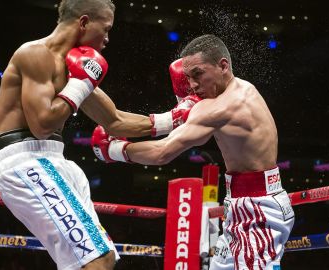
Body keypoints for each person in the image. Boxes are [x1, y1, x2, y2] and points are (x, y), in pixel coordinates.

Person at [0, 0, 199, 269]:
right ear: (84, 22)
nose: (107, 39)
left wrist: (175, 118)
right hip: (26, 161)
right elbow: (41, 125)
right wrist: (80, 84)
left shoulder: (76, 66)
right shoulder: (35, 54)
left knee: (105, 257)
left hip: (56, 161)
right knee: (95, 260)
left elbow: (114, 121)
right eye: (106, 29)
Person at [91, 34, 295, 270]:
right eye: (188, 78)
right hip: (243, 205)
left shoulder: (224, 106)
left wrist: (115, 150)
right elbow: (173, 126)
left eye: (198, 74)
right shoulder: (239, 90)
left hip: (257, 212)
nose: (193, 86)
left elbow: (162, 152)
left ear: (223, 66)